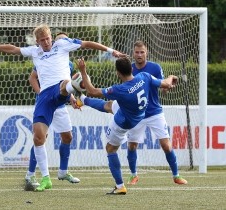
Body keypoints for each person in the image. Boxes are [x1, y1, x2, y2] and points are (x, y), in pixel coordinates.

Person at [0, 24, 127, 192]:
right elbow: (12, 49)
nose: (46, 42)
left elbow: (87, 43)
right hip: (45, 97)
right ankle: (45, 178)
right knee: (38, 138)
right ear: (37, 41)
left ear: (51, 37)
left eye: (47, 38)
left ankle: (75, 86)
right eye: (42, 40)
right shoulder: (35, 51)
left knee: (65, 86)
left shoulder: (61, 45)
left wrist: (111, 51)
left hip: (60, 90)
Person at [75, 57, 178, 194]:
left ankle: (120, 186)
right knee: (109, 105)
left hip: (123, 122)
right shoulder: (144, 76)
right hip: (136, 114)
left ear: (118, 73)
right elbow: (165, 83)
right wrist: (171, 78)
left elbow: (93, 90)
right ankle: (82, 100)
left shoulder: (120, 89)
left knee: (110, 149)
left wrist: (83, 71)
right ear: (131, 68)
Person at [125, 41, 187, 185]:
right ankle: (133, 175)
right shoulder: (129, 70)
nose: (139, 55)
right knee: (132, 145)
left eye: (142, 52)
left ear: (147, 53)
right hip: (136, 114)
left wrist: (168, 86)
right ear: (133, 53)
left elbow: (163, 87)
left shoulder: (155, 68)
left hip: (154, 112)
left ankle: (176, 175)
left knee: (166, 144)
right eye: (137, 52)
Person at [25, 32, 80, 190]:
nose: (63, 42)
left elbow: (66, 86)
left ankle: (63, 171)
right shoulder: (45, 57)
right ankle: (30, 174)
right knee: (41, 138)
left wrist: (73, 99)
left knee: (68, 136)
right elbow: (32, 78)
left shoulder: (68, 64)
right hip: (46, 102)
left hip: (60, 105)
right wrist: (41, 93)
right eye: (60, 39)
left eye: (66, 40)